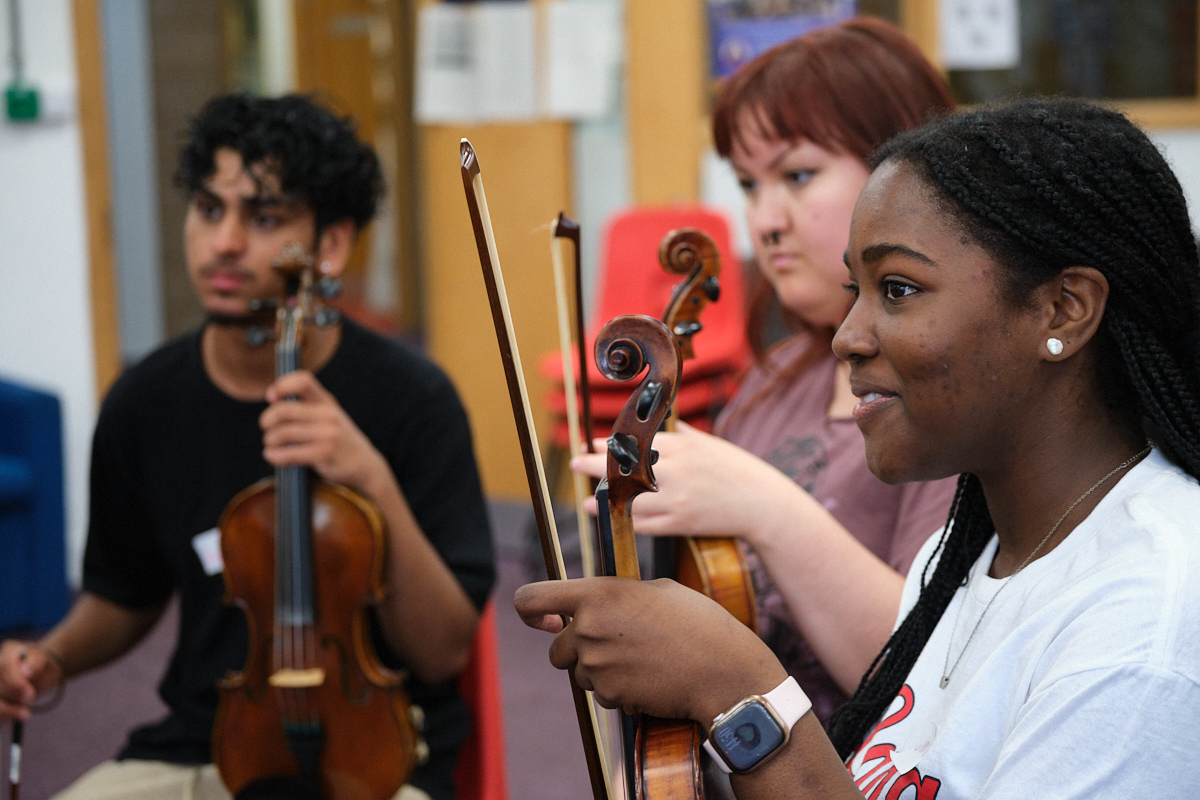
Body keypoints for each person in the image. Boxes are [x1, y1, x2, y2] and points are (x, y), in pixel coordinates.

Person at [522, 97, 1200, 797]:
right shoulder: (967, 553)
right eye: (857, 289)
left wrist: (739, 687)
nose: (849, 336)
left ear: (1064, 309)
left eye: (899, 289)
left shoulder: (1144, 624)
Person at [0, 94, 495, 800]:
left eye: (263, 219)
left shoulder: (414, 400)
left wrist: (371, 480)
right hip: (205, 744)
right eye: (208, 210)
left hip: (374, 757)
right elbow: (123, 592)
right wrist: (48, 657)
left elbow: (443, 650)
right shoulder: (145, 400)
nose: (224, 243)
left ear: (329, 244)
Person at [574, 17, 959, 723]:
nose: (765, 219)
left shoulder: (950, 400)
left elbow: (928, 676)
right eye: (749, 184)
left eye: (798, 175)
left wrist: (764, 506)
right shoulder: (777, 377)